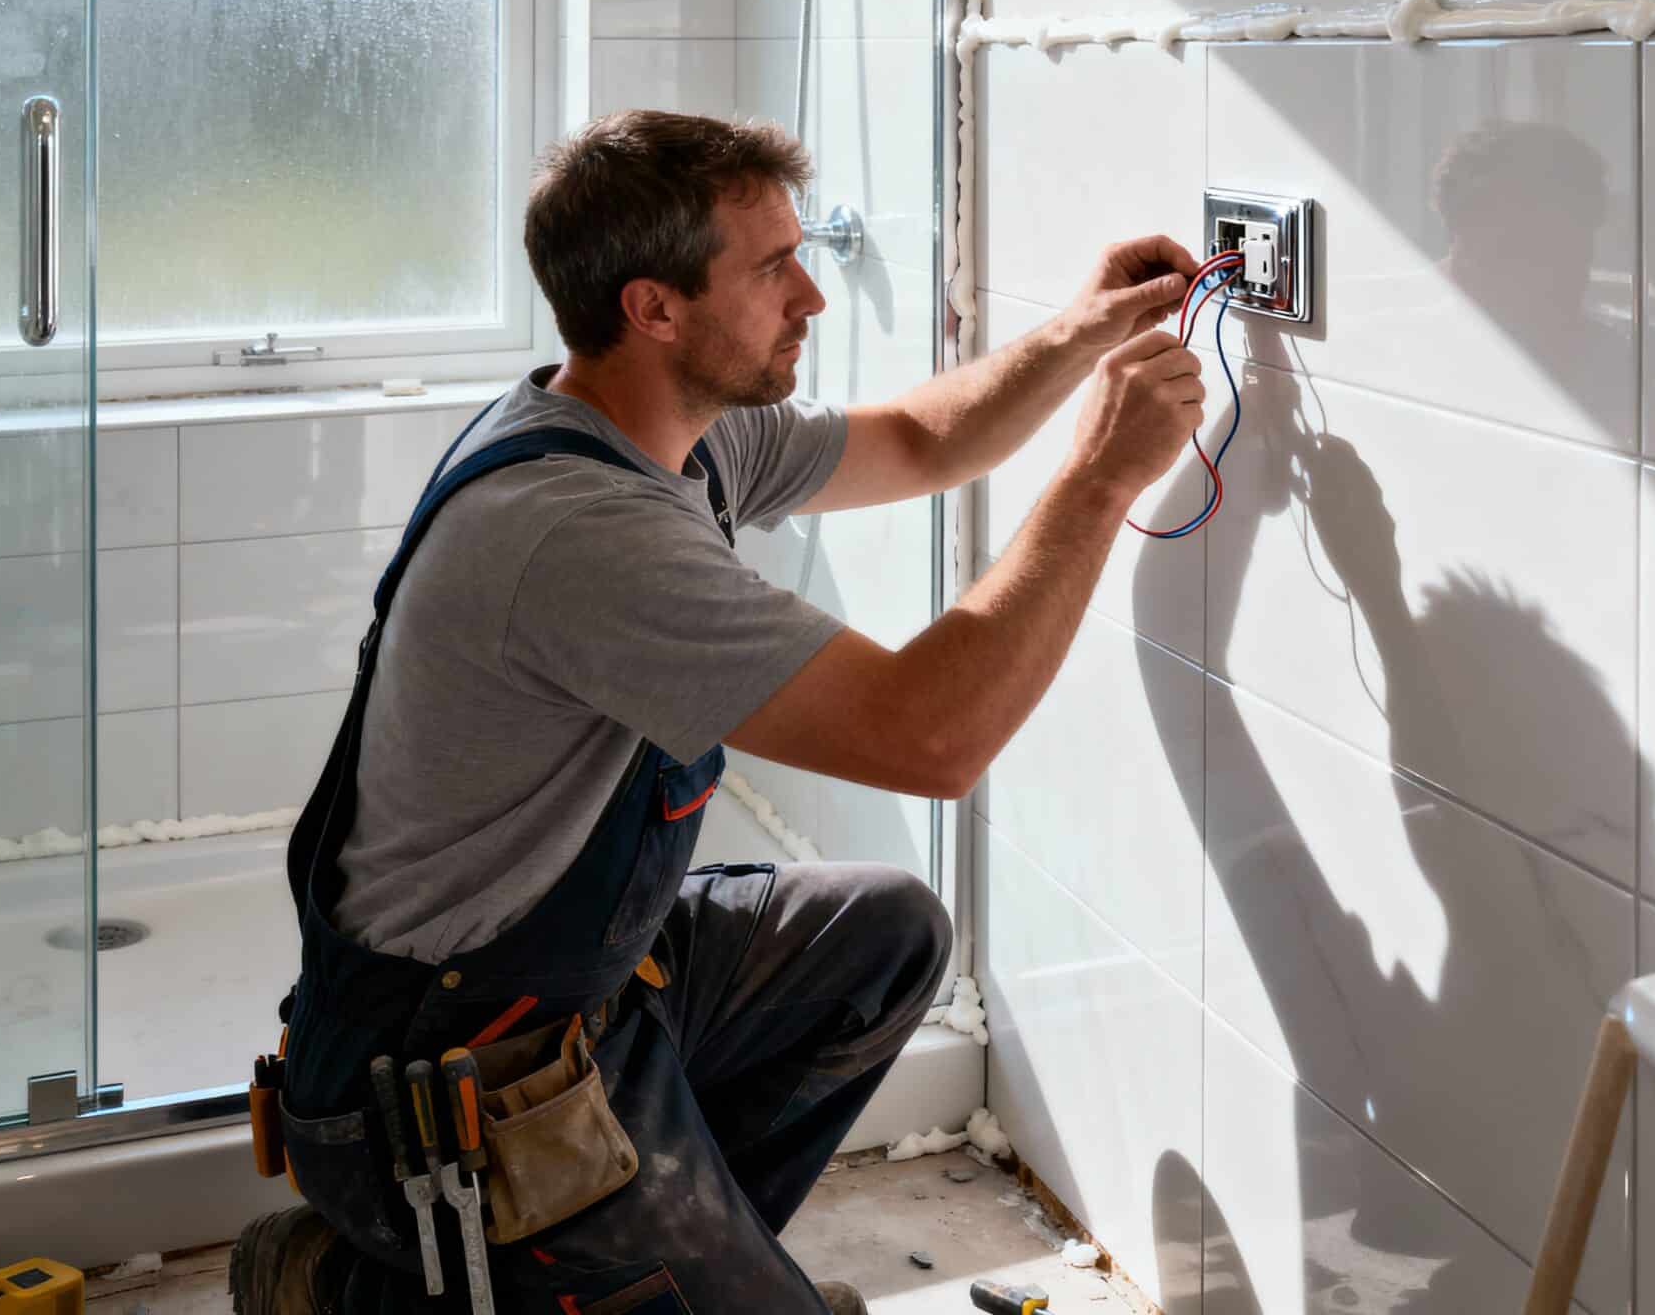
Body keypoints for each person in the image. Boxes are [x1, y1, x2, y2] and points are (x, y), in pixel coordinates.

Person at [231, 110, 1205, 1315]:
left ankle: (679, 1263)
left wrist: (1082, 328)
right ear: (656, 308)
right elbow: (932, 737)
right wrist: (1102, 476)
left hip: (575, 1001)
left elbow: (918, 439)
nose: (814, 295)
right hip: (442, 1084)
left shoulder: (667, 432)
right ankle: (360, 1289)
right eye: (773, 268)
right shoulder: (580, 533)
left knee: (886, 934)